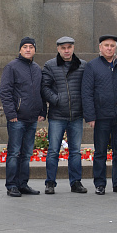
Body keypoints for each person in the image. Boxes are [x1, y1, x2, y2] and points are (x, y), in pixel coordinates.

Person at [81, 35, 117, 195]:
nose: (109, 48)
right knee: (100, 151)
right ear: (100, 47)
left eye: (112, 45)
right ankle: (100, 184)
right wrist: (90, 116)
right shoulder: (92, 66)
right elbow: (86, 92)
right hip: (101, 117)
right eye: (106, 45)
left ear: (116, 47)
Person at [0, 37, 46, 197]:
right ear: (20, 50)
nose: (28, 49)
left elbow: (41, 92)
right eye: (24, 47)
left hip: (32, 118)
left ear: (34, 50)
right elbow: (5, 92)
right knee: (14, 152)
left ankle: (22, 184)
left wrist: (42, 111)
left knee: (26, 153)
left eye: (31, 47)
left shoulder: (36, 68)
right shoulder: (12, 67)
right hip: (17, 119)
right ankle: (11, 185)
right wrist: (11, 114)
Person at [41, 36, 87, 194]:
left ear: (73, 48)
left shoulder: (82, 65)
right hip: (57, 116)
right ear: (58, 49)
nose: (66, 51)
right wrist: (57, 100)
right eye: (63, 48)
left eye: (69, 47)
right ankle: (50, 183)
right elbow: (45, 87)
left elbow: (87, 89)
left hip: (76, 115)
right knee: (53, 150)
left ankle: (76, 183)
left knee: (75, 151)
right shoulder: (50, 65)